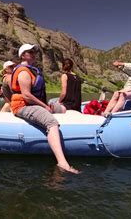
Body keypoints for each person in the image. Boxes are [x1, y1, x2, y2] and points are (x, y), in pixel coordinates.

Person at [10, 43, 79, 174]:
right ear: (23, 55)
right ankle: (62, 163)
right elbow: (26, 95)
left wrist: (47, 106)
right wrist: (45, 107)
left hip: (34, 104)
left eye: (34, 52)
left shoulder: (32, 70)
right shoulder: (23, 72)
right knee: (51, 122)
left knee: (63, 109)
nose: (34, 54)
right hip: (23, 106)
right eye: (31, 52)